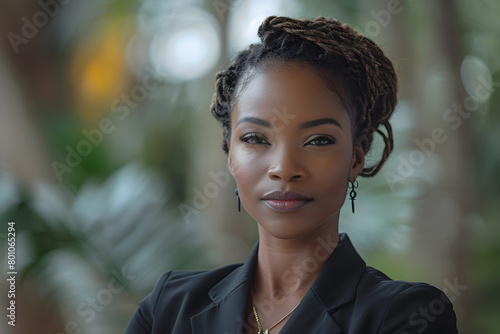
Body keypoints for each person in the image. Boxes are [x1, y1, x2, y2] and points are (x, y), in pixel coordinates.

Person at [125, 15, 458, 333]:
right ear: (230, 154)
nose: (284, 168)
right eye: (255, 139)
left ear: (356, 157)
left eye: (318, 140)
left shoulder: (407, 315)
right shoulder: (168, 308)